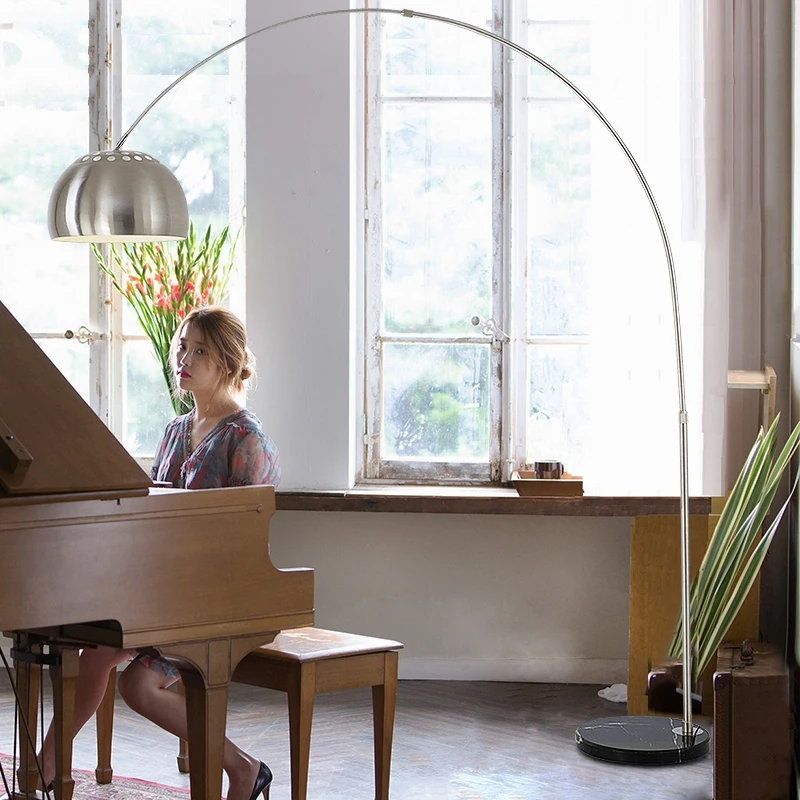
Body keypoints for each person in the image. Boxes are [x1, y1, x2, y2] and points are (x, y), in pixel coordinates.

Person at [38, 306, 279, 800]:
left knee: (137, 687)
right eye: (181, 347)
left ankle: (243, 767)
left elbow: (245, 545)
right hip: (166, 592)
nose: (183, 358)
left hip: (220, 600)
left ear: (228, 361)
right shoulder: (174, 430)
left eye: (199, 351)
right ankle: (47, 766)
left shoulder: (247, 438)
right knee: (96, 647)